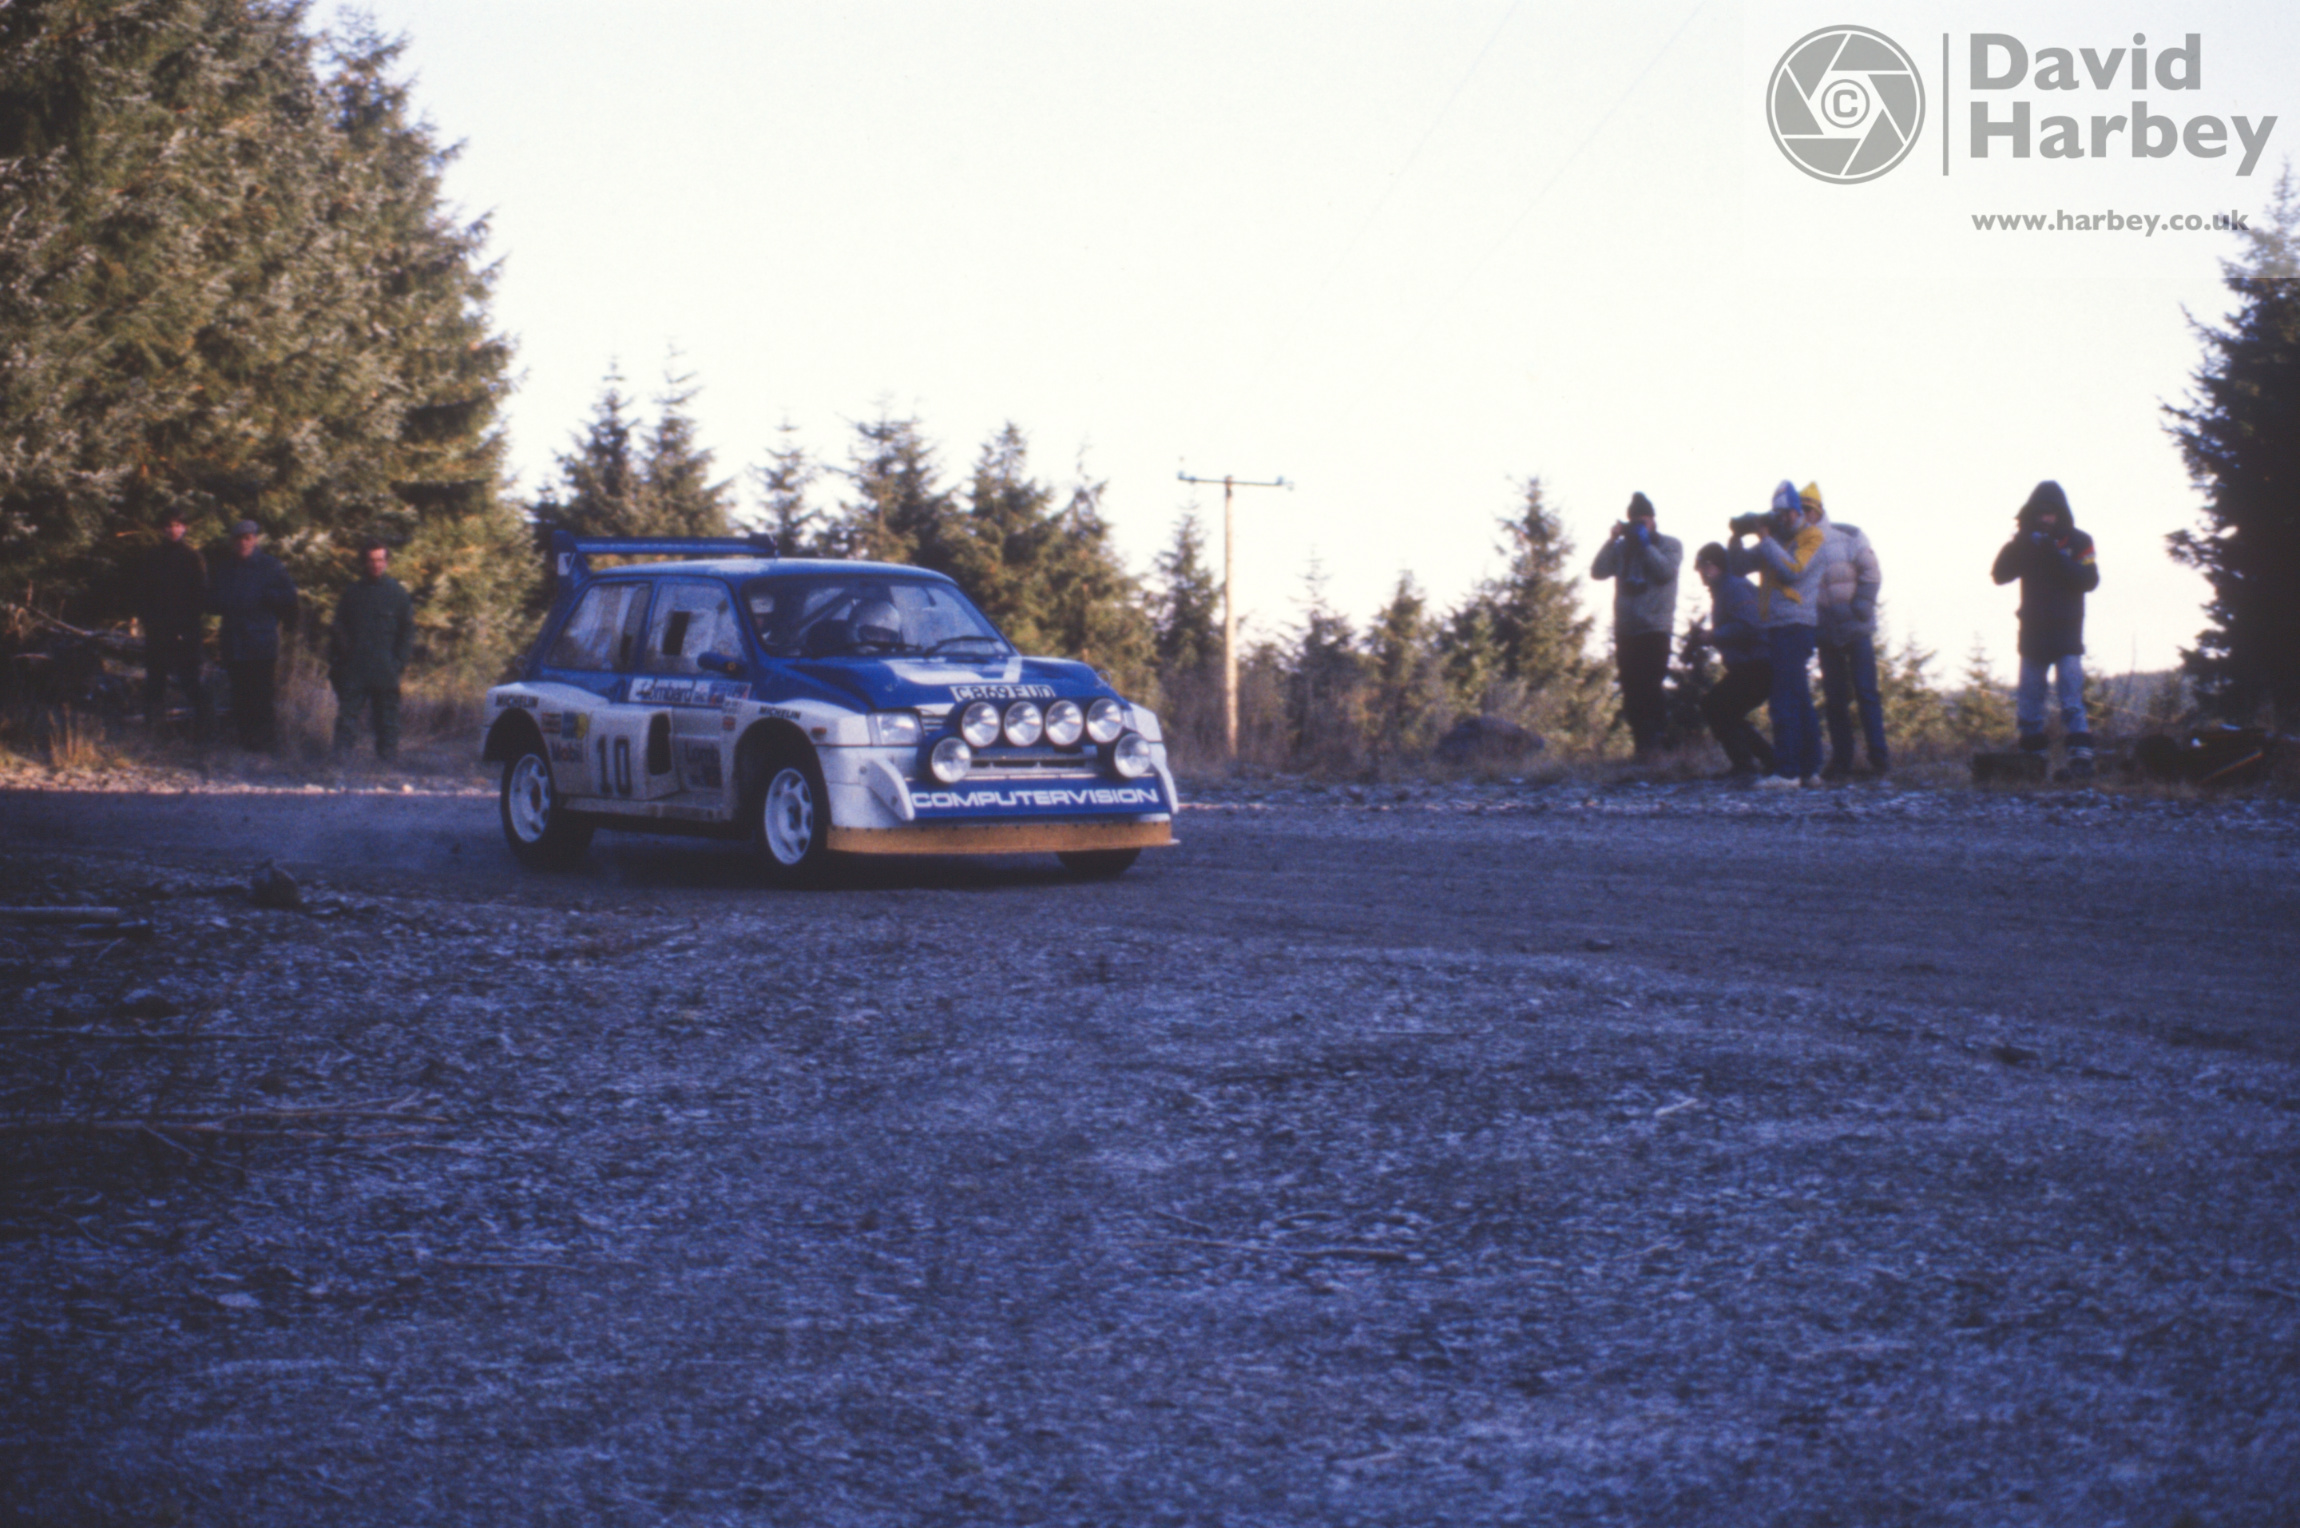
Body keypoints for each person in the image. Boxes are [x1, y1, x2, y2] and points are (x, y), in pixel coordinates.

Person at [1991, 480, 2100, 777]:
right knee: (2028, 701)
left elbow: (2089, 580)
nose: (2045, 518)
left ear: (2060, 513)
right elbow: (1999, 575)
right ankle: (2032, 761)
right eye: (2040, 513)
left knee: (2071, 698)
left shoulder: (2079, 541)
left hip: (2067, 634)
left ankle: (2081, 761)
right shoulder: (2025, 544)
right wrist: (2019, 545)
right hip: (2033, 634)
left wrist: (2056, 558)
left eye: (2050, 513)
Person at [1728, 481, 1827, 790]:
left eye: (1784, 514)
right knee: (1798, 698)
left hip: (1796, 625)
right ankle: (1810, 770)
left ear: (1796, 512)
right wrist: (1736, 537)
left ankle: (1787, 772)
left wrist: (1765, 538)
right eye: (1776, 515)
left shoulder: (1812, 536)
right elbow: (1740, 566)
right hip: (1778, 625)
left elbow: (1792, 571)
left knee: (1783, 699)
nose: (1780, 520)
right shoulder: (1776, 540)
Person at [1589, 491, 1682, 759]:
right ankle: (1642, 748)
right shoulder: (1621, 549)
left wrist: (1645, 545)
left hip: (1655, 627)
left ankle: (1658, 746)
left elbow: (1665, 572)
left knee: (1650, 687)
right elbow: (1597, 572)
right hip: (1626, 630)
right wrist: (1612, 540)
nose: (1641, 526)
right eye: (1635, 522)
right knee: (1631, 691)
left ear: (1654, 520)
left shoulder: (1670, 545)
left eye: (1644, 521)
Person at [1805, 482, 1888, 779]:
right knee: (1835, 697)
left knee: (1867, 694)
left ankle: (1879, 760)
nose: (1805, 515)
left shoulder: (1849, 534)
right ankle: (1842, 760)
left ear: (1819, 510)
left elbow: (1871, 571)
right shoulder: (1798, 545)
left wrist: (1860, 608)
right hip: (1825, 631)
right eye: (1800, 510)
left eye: (1809, 509)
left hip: (1855, 628)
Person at [208, 518, 299, 750]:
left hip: (261, 642)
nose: (243, 543)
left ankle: (266, 746)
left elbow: (290, 599)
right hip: (234, 642)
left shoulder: (271, 566)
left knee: (262, 696)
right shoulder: (225, 569)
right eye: (239, 539)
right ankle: (245, 744)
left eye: (248, 538)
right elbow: (213, 602)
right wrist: (220, 602)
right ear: (233, 541)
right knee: (240, 696)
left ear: (255, 539)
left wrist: (270, 597)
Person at [1689, 542, 1776, 777]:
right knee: (1725, 710)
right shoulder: (1727, 589)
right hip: (1753, 664)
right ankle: (1767, 759)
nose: (1701, 576)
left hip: (1757, 664)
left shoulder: (1734, 588)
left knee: (1715, 706)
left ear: (1711, 566)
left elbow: (1750, 625)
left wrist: (1713, 635)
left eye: (1701, 569)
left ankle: (1746, 764)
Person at [329, 537, 414, 760]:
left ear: (386, 562)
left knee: (387, 720)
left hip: (385, 668)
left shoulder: (397, 594)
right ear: (364, 562)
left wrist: (398, 663)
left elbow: (407, 632)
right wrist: (340, 661)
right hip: (355, 667)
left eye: (380, 560)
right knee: (347, 718)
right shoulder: (352, 593)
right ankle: (340, 762)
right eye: (371, 560)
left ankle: (386, 766)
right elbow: (338, 627)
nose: (376, 564)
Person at [134, 509, 212, 740]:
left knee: (191, 681)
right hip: (158, 629)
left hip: (186, 630)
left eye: (178, 525)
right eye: (168, 525)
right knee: (155, 682)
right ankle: (152, 733)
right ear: (162, 529)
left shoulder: (193, 558)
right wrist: (148, 621)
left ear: (184, 527)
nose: (173, 529)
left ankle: (206, 732)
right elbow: (142, 593)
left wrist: (186, 627)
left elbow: (201, 596)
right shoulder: (152, 557)